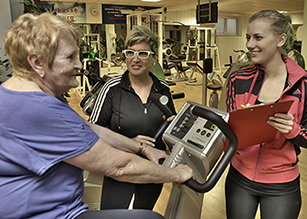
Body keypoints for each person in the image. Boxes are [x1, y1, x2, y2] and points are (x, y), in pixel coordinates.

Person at [0, 13, 193, 219]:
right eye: (70, 57)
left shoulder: (16, 96)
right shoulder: (39, 108)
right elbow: (119, 166)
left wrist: (143, 147)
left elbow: (87, 128)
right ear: (37, 63)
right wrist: (177, 174)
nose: (80, 65)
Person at [225, 10, 307, 219]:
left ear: (281, 40)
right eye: (248, 37)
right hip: (240, 177)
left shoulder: (304, 86)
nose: (250, 44)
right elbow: (227, 126)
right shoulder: (237, 79)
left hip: (281, 185)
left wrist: (293, 130)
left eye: (258, 37)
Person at [89, 25, 176, 210]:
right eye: (130, 52)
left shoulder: (163, 89)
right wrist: (131, 143)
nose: (135, 59)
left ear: (154, 58)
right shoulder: (112, 89)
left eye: (143, 53)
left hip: (152, 168)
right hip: (120, 166)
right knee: (111, 214)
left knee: (143, 213)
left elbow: (170, 122)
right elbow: (93, 131)